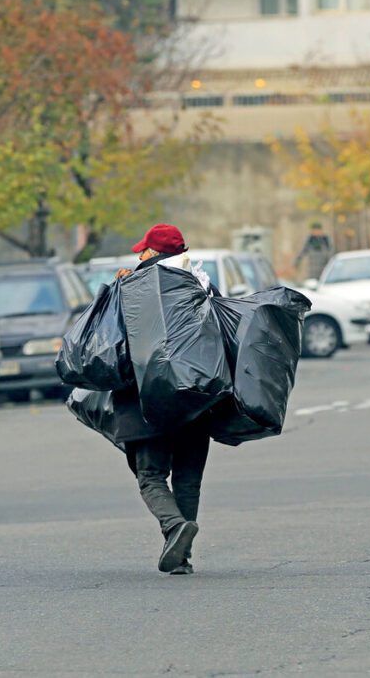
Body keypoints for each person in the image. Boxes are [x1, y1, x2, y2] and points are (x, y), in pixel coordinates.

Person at [115, 223, 211, 575]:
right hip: (197, 398)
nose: (139, 256)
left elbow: (114, 342)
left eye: (143, 251)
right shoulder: (202, 285)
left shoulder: (134, 286)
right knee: (188, 478)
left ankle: (174, 527)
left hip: (147, 399)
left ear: (154, 254)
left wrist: (117, 287)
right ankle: (182, 558)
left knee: (151, 474)